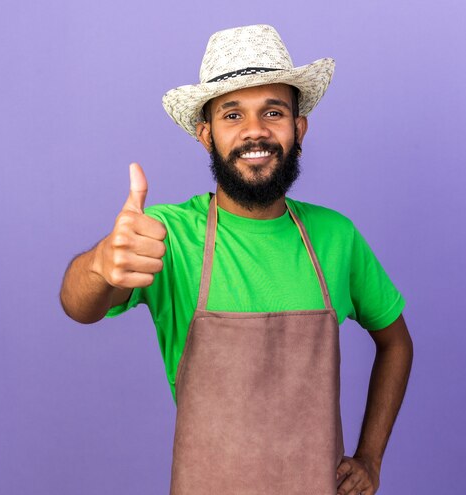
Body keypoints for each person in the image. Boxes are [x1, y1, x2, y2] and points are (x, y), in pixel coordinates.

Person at [60, 24, 413, 495]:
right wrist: (102, 262)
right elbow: (78, 306)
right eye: (232, 115)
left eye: (273, 111)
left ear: (298, 128)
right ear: (206, 135)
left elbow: (396, 343)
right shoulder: (169, 234)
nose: (255, 131)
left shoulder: (336, 237)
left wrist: (369, 459)